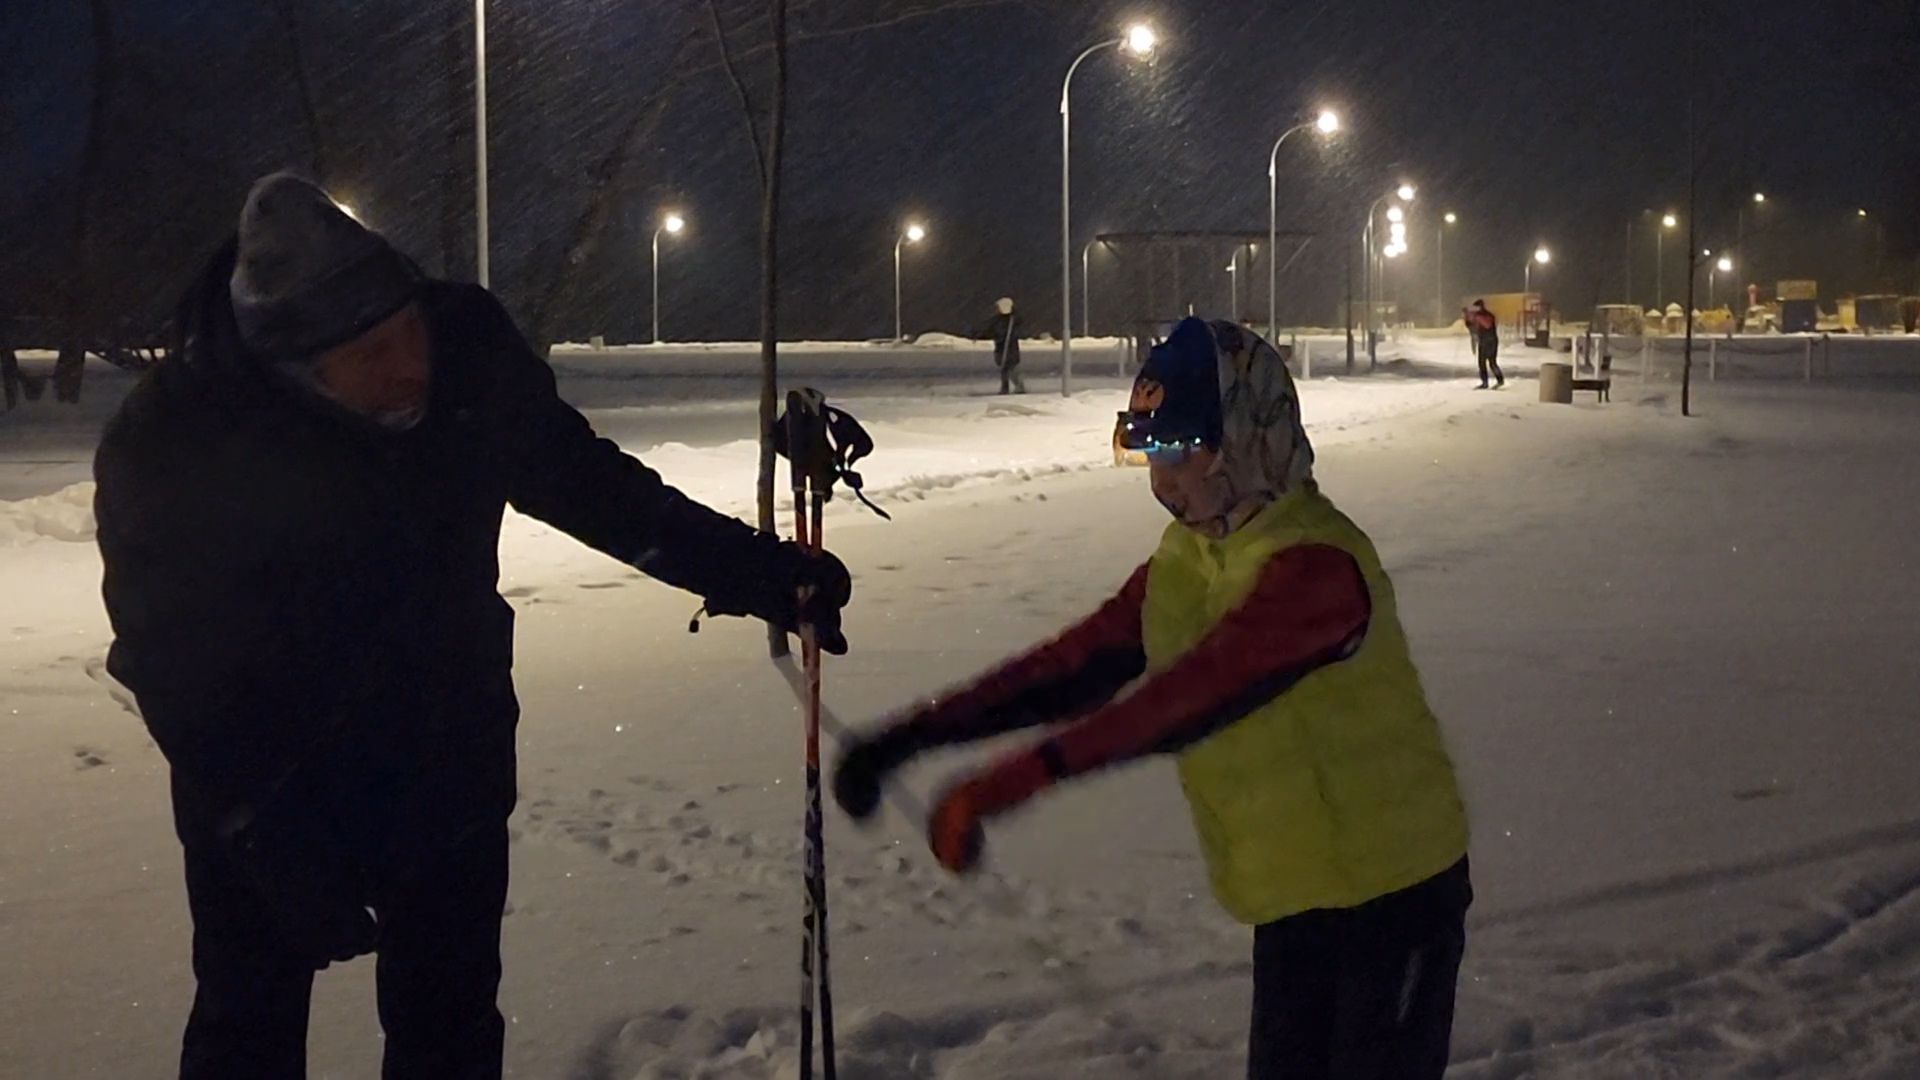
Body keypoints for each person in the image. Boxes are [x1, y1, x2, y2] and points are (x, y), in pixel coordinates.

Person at [93, 172, 853, 1080]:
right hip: (263, 767)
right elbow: (169, 655)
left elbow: (588, 486)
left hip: (442, 744)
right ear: (296, 370)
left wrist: (756, 572)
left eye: (408, 329)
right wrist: (260, 823)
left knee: (448, 1028)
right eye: (369, 355)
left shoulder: (465, 359)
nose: (409, 363)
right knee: (245, 1027)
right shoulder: (179, 438)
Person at [834, 317, 1471, 1080]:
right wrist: (909, 738)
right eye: (1145, 447)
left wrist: (1014, 780)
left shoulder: (1317, 568)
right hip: (1296, 895)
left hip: (1394, 895)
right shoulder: (1193, 555)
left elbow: (1191, 697)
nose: (1160, 477)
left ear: (1245, 439)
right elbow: (1074, 665)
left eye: (1179, 449)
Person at [982, 296, 1025, 395]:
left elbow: (1004, 333)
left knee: (1011, 368)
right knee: (1005, 369)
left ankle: (1017, 386)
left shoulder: (1012, 321)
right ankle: (1006, 387)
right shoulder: (998, 321)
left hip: (1009, 349)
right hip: (1002, 348)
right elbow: (990, 331)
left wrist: (999, 336)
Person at [1466, 299, 1503, 389]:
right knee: (1481, 363)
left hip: (1490, 341)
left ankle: (1500, 380)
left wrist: (1476, 317)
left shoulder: (1487, 315)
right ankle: (1484, 382)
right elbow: (1472, 328)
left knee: (1492, 363)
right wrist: (1468, 320)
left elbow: (1487, 325)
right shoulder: (1478, 316)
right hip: (1483, 341)